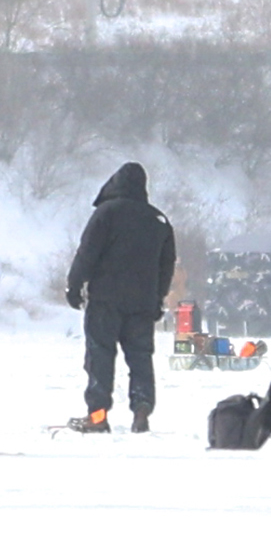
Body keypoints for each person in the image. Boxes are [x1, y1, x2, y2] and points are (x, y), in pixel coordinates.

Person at [66, 162, 176, 432]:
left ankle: (98, 417)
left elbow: (87, 253)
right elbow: (167, 265)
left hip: (105, 300)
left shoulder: (107, 213)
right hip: (142, 305)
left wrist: (74, 286)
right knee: (140, 358)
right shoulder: (158, 220)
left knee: (100, 357)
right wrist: (158, 298)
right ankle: (141, 412)